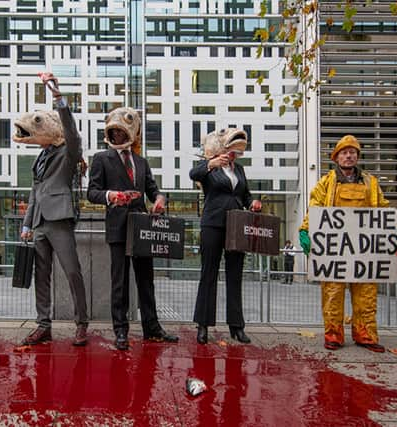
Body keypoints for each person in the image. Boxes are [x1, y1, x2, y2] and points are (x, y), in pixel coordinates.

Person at [298, 135, 397, 353]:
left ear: (357, 157)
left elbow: (384, 211)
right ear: (336, 157)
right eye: (344, 152)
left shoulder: (371, 182)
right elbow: (315, 209)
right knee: (332, 294)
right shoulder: (326, 183)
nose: (348, 156)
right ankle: (333, 335)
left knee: (366, 294)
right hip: (334, 253)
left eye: (352, 152)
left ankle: (365, 335)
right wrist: (306, 231)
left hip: (365, 253)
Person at [87, 106, 178, 350]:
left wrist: (159, 199)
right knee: (119, 281)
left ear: (131, 133)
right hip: (117, 226)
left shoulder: (141, 161)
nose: (117, 136)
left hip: (141, 227)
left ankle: (152, 328)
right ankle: (120, 331)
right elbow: (91, 193)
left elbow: (152, 189)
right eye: (113, 132)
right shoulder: (100, 159)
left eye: (121, 132)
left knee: (146, 280)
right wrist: (113, 195)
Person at [14, 72, 89, 347]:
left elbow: (72, 132)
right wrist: (26, 224)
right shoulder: (41, 157)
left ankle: (82, 324)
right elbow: (35, 191)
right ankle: (43, 325)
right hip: (39, 224)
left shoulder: (67, 152)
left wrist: (58, 97)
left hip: (60, 219)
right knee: (40, 276)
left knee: (72, 271)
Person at [189, 128, 262, 345]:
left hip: (236, 225)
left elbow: (245, 194)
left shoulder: (239, 170)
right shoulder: (210, 167)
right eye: (230, 151)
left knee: (235, 275)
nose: (233, 155)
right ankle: (203, 325)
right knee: (208, 274)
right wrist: (211, 163)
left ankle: (236, 326)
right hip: (213, 223)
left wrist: (252, 203)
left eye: (235, 152)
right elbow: (193, 174)